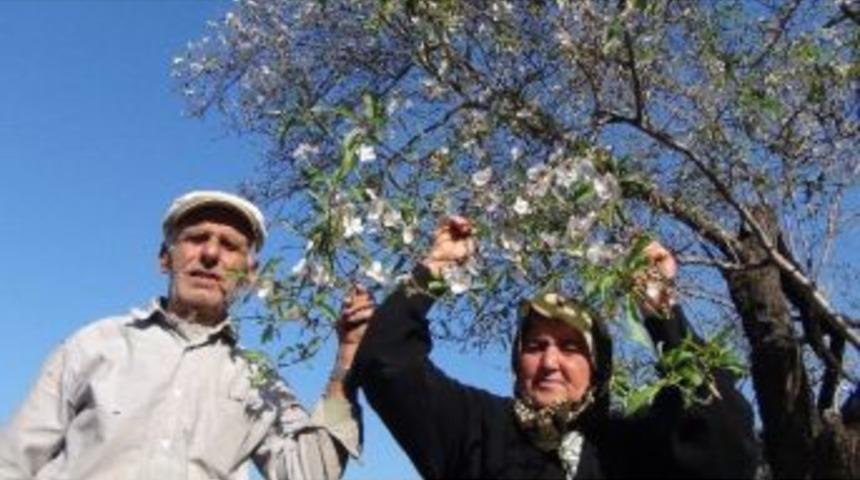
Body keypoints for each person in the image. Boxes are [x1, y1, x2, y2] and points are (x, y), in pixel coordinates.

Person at [346, 216, 759, 479]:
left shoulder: (629, 446)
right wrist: (435, 269)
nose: (550, 362)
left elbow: (723, 439)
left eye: (570, 347)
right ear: (516, 360)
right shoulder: (476, 428)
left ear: (597, 368)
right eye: (535, 345)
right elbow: (385, 360)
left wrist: (662, 311)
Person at [0, 190, 364, 480]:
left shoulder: (259, 381)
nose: (210, 254)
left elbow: (311, 474)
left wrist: (346, 357)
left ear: (250, 274)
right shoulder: (94, 344)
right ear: (165, 258)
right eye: (196, 238)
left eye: (230, 245)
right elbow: (14, 460)